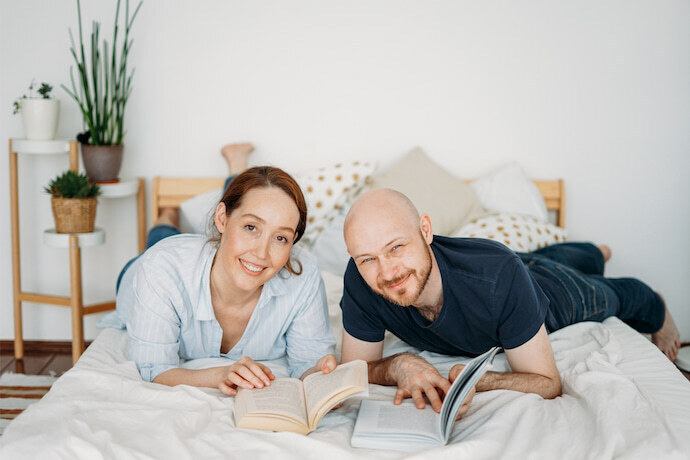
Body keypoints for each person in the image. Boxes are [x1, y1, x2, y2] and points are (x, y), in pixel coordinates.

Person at [339, 188, 681, 418]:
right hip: (511, 267)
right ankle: (590, 252)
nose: (386, 271)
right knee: (537, 258)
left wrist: (484, 381)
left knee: (612, 295)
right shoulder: (360, 277)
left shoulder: (497, 277)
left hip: (550, 292)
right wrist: (397, 364)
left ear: (425, 230)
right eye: (368, 258)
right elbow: (354, 370)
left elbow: (547, 382)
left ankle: (654, 302)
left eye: (396, 247)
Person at [99, 143, 337, 395]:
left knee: (244, 219)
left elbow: (308, 365)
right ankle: (168, 215)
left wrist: (322, 374)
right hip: (146, 264)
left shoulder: (304, 271)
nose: (261, 253)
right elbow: (153, 369)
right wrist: (219, 375)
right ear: (221, 219)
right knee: (162, 235)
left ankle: (237, 173)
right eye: (251, 227)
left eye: (281, 238)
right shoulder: (161, 268)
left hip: (208, 247)